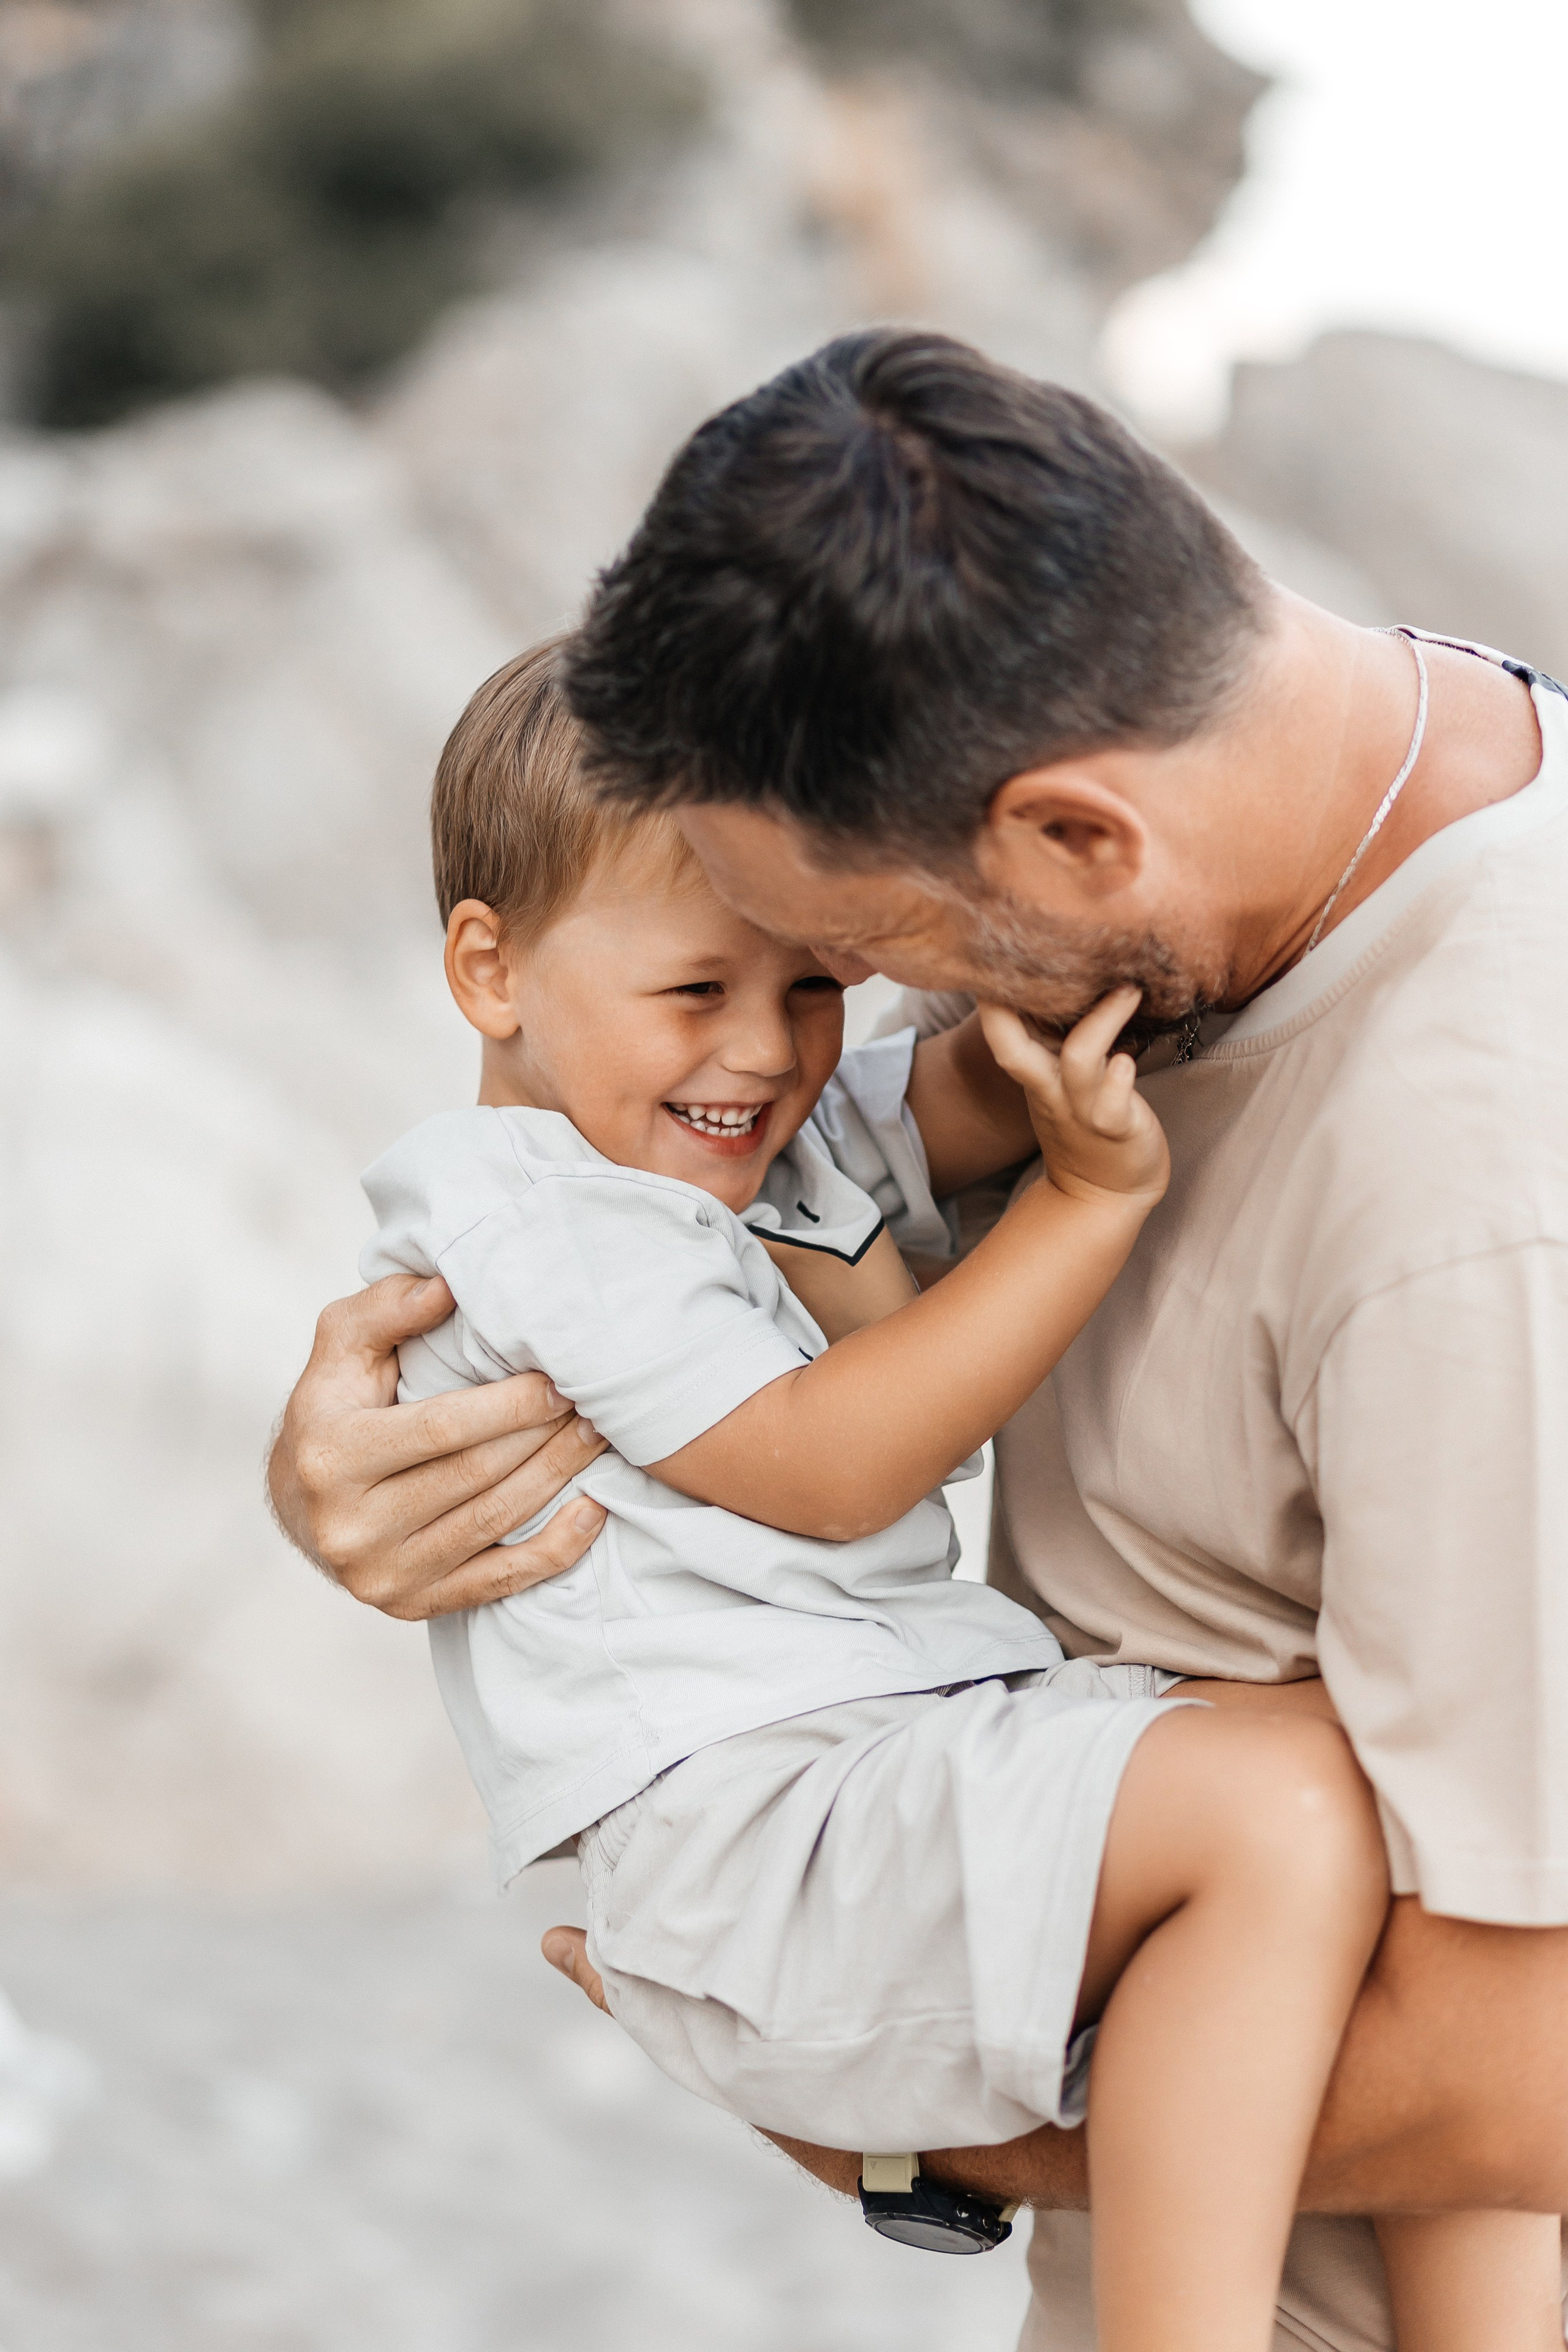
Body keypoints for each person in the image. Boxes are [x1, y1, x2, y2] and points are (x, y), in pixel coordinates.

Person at [269, 331, 1568, 2350]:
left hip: (1253, 2178)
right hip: (986, 1912)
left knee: (1313, 1823)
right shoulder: (1166, 924)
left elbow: (1528, 2076)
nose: (834, 1038)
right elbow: (705, 1276)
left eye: (860, 960)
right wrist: (376, 1463)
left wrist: (918, 2149)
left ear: (1072, 841)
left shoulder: (1487, 1208)